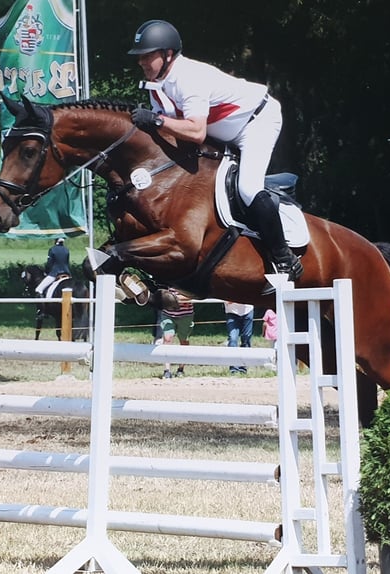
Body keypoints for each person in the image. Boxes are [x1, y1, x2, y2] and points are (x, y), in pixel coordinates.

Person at [127, 20, 303, 283]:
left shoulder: (188, 77)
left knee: (248, 188)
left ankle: (285, 258)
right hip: (223, 132)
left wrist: (156, 121)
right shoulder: (157, 84)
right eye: (140, 56)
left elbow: (196, 132)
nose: (141, 62)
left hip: (256, 123)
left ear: (168, 54)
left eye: (147, 56)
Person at [160, 288, 194, 379]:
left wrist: (173, 297)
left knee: (184, 341)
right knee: (167, 339)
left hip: (185, 315)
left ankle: (181, 369)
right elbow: (162, 295)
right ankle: (167, 370)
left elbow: (192, 296)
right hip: (168, 314)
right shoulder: (165, 280)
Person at [224, 301, 254, 374]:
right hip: (231, 312)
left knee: (246, 339)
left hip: (248, 310)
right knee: (233, 338)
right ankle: (233, 367)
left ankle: (243, 366)